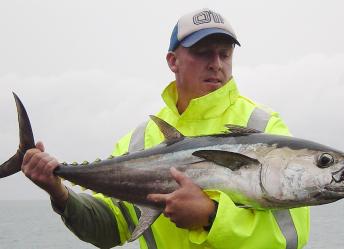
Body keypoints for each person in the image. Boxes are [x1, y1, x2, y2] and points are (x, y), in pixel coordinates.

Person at [21, 8, 310, 249]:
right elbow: (109, 227)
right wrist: (59, 192)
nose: (216, 64)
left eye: (225, 54)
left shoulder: (263, 127)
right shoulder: (140, 140)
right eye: (203, 53)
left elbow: (290, 236)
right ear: (173, 60)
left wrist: (210, 217)